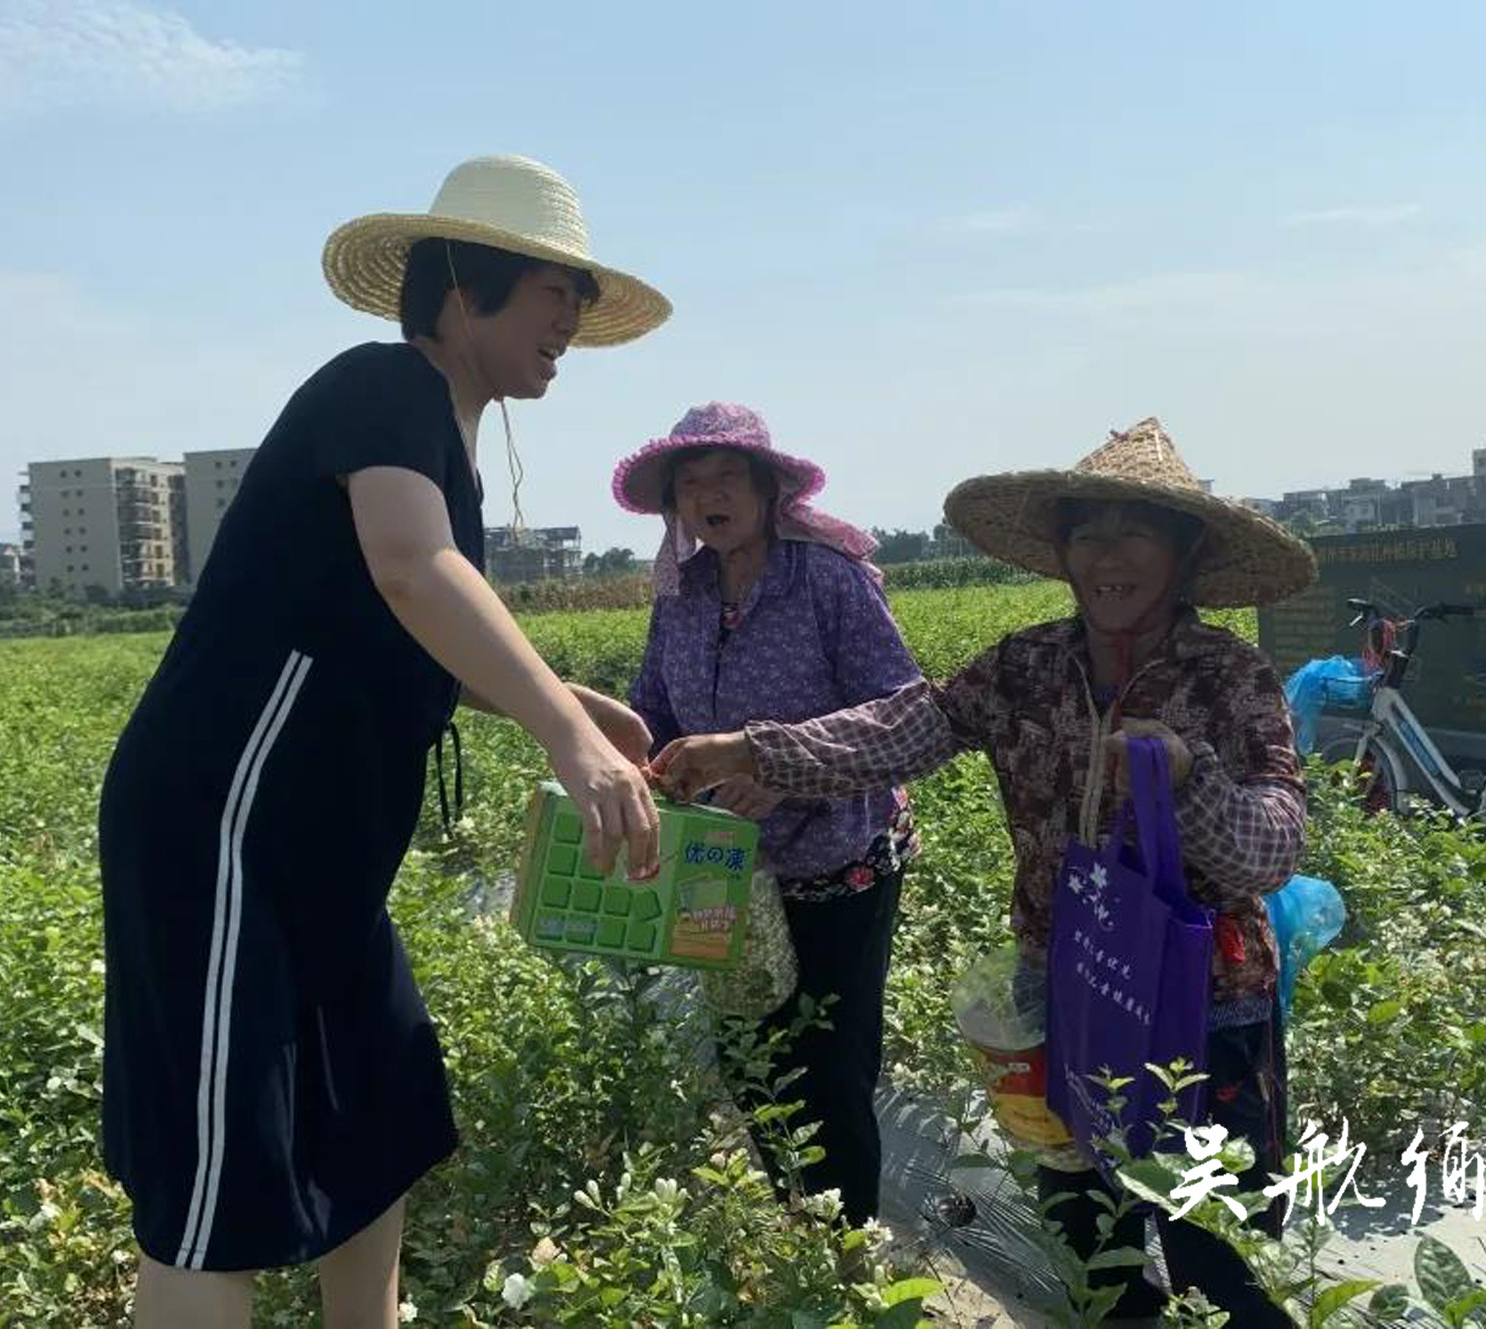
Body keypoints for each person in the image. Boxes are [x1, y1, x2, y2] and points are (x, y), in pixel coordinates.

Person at [97, 155, 670, 1329]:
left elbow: (378, 628)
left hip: (320, 855)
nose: (570, 317)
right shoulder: (384, 385)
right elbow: (412, 572)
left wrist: (549, 694)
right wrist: (567, 736)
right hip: (229, 827)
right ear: (466, 287)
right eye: (553, 286)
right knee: (222, 1177)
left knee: (375, 1108)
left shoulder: (437, 443)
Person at [655, 418, 1316, 1324]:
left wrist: (1189, 777)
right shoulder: (1027, 666)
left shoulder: (1229, 677)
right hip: (1064, 990)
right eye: (1088, 531)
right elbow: (905, 728)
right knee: (1085, 1225)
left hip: (1203, 1004)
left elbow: (1276, 843)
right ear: (1062, 549)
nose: (1108, 556)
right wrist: (753, 751)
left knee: (1212, 1238)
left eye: (1135, 531)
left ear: (1186, 550)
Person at [612, 402, 923, 1228]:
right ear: (675, 505)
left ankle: (847, 1250)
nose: (708, 495)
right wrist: (638, 758)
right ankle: (799, 1223)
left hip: (838, 854)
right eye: (690, 483)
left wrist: (783, 770)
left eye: (725, 477)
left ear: (765, 488)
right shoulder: (682, 592)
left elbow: (902, 710)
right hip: (725, 864)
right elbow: (656, 705)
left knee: (827, 1061)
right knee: (749, 1054)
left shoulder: (826, 579)